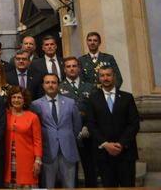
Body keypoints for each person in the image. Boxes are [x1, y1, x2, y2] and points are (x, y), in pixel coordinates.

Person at [87, 65, 140, 186]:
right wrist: (106, 144)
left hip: (126, 153)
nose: (106, 78)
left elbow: (134, 123)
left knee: (128, 186)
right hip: (104, 154)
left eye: (108, 75)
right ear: (99, 78)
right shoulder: (93, 99)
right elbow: (91, 124)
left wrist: (121, 144)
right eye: (102, 75)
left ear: (114, 77)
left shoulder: (127, 97)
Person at [31, 73, 81, 188]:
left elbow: (77, 125)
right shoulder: (36, 104)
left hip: (68, 149)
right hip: (47, 150)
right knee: (49, 186)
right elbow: (35, 129)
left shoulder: (70, 102)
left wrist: (67, 137)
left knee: (69, 186)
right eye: (47, 82)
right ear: (43, 85)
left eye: (53, 82)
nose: (50, 85)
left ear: (58, 85)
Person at [59, 56, 96, 187]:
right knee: (71, 170)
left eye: (74, 66)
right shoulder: (59, 87)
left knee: (90, 168)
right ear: (64, 70)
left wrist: (87, 126)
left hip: (87, 133)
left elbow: (95, 109)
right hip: (69, 134)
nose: (72, 69)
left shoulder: (90, 87)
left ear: (79, 68)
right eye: (68, 66)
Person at [4, 86, 42, 188]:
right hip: (8, 159)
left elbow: (37, 141)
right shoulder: (4, 115)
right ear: (10, 99)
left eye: (19, 97)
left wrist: (37, 161)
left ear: (24, 100)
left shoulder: (32, 117)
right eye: (14, 97)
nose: (16, 100)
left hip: (27, 160)